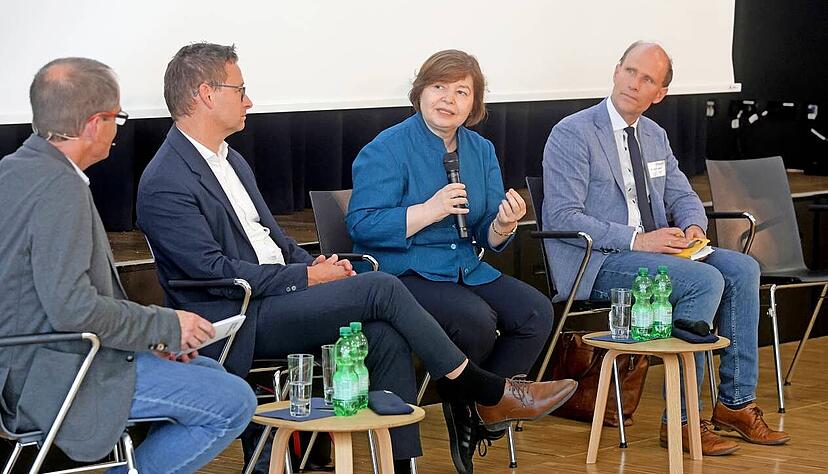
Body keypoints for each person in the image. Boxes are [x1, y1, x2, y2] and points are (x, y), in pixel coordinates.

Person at [135, 42, 577, 473]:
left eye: (462, 92)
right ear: (206, 94)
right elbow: (211, 272)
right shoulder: (166, 179)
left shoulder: (231, 161)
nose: (249, 101)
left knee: (385, 335)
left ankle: (400, 464)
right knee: (382, 287)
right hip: (238, 317)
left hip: (279, 295)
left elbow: (274, 240)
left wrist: (313, 264)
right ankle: (485, 390)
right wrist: (303, 278)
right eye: (240, 90)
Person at [0, 58, 257, 473]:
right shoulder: (59, 189)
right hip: (56, 377)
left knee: (209, 370)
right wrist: (166, 327)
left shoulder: (14, 170)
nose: (118, 129)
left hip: (31, 365)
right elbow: (73, 309)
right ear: (95, 123)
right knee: (234, 401)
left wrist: (151, 340)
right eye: (117, 118)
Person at [542, 41, 790, 455]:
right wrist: (638, 240)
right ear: (616, 71)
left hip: (655, 253)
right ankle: (681, 419)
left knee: (743, 268)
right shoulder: (573, 132)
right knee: (703, 280)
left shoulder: (654, 135)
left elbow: (683, 196)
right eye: (630, 72)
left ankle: (735, 404)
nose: (634, 84)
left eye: (647, 80)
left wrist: (692, 226)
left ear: (660, 94)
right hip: (598, 261)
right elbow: (564, 218)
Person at [347, 49, 554, 472]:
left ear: (473, 104)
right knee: (475, 320)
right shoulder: (386, 147)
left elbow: (486, 231)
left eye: (462, 91)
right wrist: (429, 210)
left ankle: (474, 407)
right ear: (420, 91)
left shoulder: (481, 149)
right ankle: (474, 402)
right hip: (405, 270)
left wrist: (503, 225)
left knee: (536, 313)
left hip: (464, 266)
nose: (448, 99)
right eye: (439, 87)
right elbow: (362, 225)